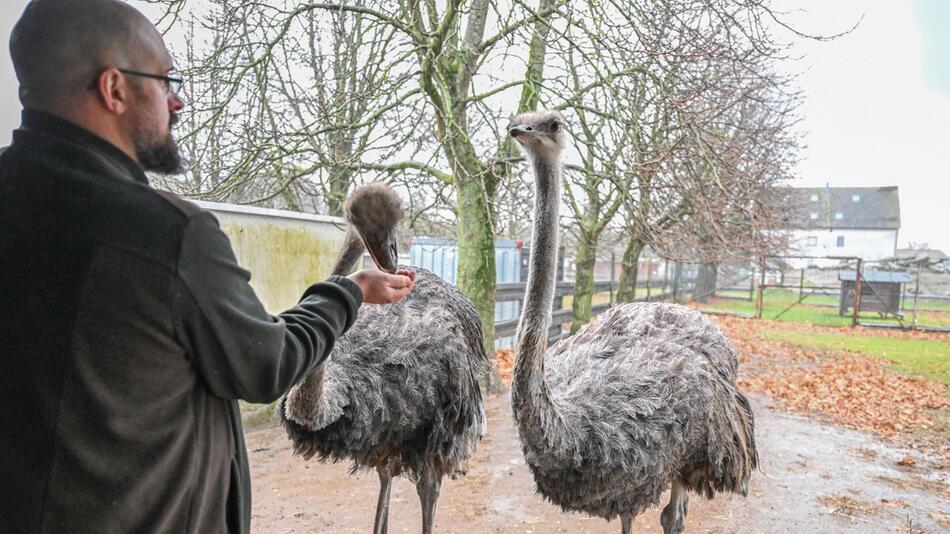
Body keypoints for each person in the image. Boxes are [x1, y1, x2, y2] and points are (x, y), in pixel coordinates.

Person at [0, 1, 415, 533]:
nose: (177, 102)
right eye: (166, 80)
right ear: (114, 89)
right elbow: (266, 364)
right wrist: (349, 290)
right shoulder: (165, 235)